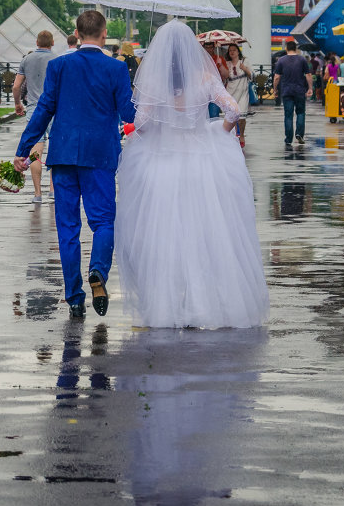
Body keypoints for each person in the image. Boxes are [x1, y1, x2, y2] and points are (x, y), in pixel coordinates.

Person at [115, 20, 269, 328]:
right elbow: (233, 112)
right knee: (205, 238)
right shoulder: (204, 77)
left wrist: (147, 131)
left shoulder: (154, 83)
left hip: (163, 166)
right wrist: (219, 131)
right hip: (201, 163)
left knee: (164, 239)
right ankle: (207, 305)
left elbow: (141, 123)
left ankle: (164, 308)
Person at [14, 10, 136, 319]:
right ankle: (98, 270)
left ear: (77, 34)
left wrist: (23, 151)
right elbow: (129, 115)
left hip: (64, 154)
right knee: (104, 222)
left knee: (67, 228)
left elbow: (43, 110)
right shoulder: (116, 69)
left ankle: (74, 296)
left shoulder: (59, 66)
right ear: (104, 33)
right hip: (101, 156)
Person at [13, 30, 56, 202]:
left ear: (36, 43)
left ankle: (37, 193)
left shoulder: (26, 60)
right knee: (54, 149)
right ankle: (53, 190)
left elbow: (16, 86)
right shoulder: (57, 60)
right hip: (53, 110)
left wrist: (18, 103)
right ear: (52, 43)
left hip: (33, 110)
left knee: (35, 152)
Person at [273, 39, 312, 145]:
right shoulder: (302, 60)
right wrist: (310, 88)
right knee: (300, 113)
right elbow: (308, 75)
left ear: (286, 48)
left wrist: (275, 89)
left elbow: (277, 77)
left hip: (286, 91)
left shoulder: (281, 60)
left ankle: (288, 139)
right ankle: (299, 134)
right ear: (295, 48)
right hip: (300, 91)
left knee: (288, 115)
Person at [223, 44, 252, 147]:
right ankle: (236, 135)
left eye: (234, 50)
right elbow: (224, 77)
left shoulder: (244, 61)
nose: (232, 52)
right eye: (230, 50)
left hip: (243, 92)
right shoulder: (227, 63)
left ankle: (242, 134)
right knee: (233, 116)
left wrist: (244, 68)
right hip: (231, 92)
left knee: (242, 118)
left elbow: (252, 75)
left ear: (238, 51)